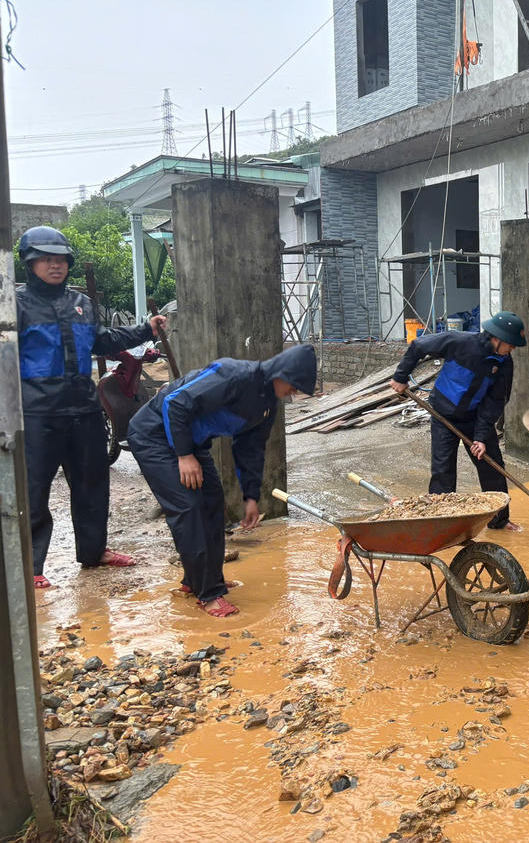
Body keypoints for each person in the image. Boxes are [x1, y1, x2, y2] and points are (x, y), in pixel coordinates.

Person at [16, 225, 167, 590]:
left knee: (92, 483)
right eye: (45, 260)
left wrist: (146, 329)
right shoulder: (14, 305)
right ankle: (30, 566)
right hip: (37, 412)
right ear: (30, 263)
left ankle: (94, 551)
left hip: (84, 409)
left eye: (60, 260)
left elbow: (104, 340)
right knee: (33, 490)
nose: (55, 266)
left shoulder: (80, 303)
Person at [127, 345, 317, 617]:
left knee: (213, 502)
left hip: (192, 444)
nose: (293, 393)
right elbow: (176, 403)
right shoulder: (234, 375)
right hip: (154, 435)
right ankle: (208, 594)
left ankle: (201, 580)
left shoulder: (267, 406)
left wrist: (251, 497)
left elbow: (251, 450)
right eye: (294, 386)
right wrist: (184, 455)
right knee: (189, 507)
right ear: (281, 373)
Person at [388, 311, 526, 532]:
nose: (513, 349)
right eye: (511, 344)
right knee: (443, 471)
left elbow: (495, 402)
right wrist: (400, 376)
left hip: (475, 418)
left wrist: (481, 437)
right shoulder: (459, 342)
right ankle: (440, 522)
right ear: (497, 338)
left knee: (493, 467)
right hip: (443, 415)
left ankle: (499, 521)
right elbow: (419, 346)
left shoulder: (504, 363)